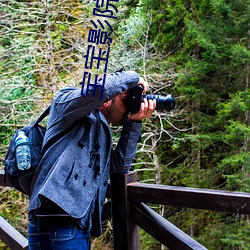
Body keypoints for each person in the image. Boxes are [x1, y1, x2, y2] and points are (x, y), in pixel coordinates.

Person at [27, 70, 156, 250]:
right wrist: (134, 78)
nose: (129, 107)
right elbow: (97, 91)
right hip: (59, 224)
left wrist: (134, 123)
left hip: (73, 226)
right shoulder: (66, 102)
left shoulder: (101, 129)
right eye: (126, 99)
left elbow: (118, 167)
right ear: (110, 96)